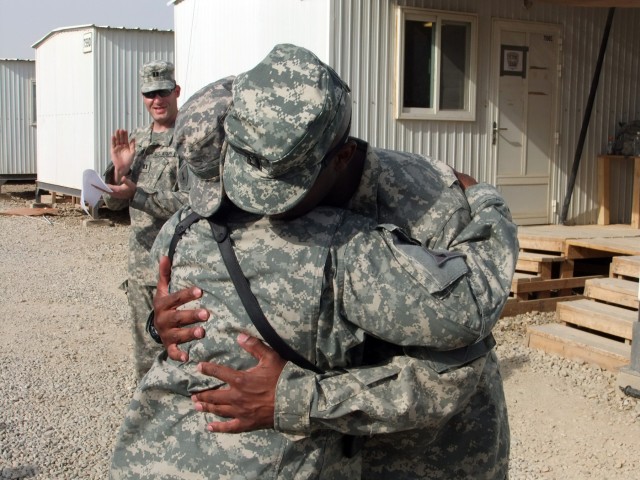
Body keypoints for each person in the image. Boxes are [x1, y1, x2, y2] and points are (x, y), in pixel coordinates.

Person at [151, 44, 518, 479]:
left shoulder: (428, 205)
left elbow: (458, 370)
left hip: (423, 457)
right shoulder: (258, 170)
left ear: (341, 158)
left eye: (284, 187)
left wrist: (298, 399)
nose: (259, 204)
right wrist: (166, 325)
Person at [102, 60, 189, 379]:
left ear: (176, 91)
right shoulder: (134, 143)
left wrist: (138, 195)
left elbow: (191, 203)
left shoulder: (190, 142)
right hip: (142, 269)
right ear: (143, 97)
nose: (157, 99)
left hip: (180, 267)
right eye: (150, 93)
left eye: (163, 91)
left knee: (183, 349)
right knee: (145, 355)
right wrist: (119, 172)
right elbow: (111, 201)